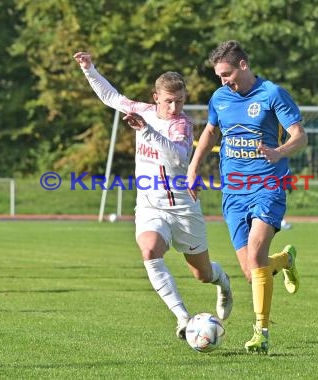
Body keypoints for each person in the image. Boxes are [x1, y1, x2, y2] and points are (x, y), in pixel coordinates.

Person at [73, 51, 233, 339]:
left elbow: (177, 158)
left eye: (180, 101)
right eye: (169, 100)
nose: (174, 106)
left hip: (183, 207)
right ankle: (183, 318)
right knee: (149, 251)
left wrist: (146, 132)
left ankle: (223, 282)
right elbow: (111, 97)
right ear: (155, 97)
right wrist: (89, 69)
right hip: (150, 206)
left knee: (202, 274)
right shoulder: (143, 111)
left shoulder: (181, 124)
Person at [187, 40, 308, 353]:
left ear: (243, 65)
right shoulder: (219, 97)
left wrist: (278, 152)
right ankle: (285, 259)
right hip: (233, 191)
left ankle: (261, 333)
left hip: (268, 185)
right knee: (250, 270)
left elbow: (299, 136)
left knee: (255, 258)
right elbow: (211, 132)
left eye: (227, 73)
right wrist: (193, 168)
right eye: (219, 76)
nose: (224, 80)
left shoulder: (272, 94)